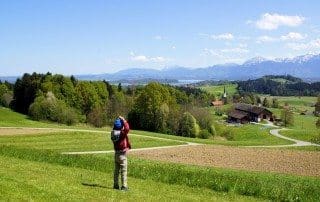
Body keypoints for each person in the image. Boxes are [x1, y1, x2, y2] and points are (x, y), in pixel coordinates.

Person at [112, 116, 131, 191]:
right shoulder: (122, 134)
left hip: (116, 154)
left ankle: (115, 185)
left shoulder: (112, 133)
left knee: (116, 171)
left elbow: (117, 129)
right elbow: (127, 129)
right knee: (124, 171)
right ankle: (124, 186)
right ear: (121, 127)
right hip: (122, 155)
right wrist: (123, 120)